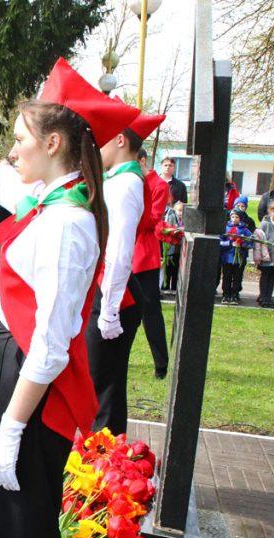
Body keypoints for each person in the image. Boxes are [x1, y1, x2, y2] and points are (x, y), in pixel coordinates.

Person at [0, 59, 139, 538]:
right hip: (22, 376)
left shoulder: (66, 223)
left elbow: (54, 347)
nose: (11, 151)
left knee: (20, 533)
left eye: (19, 140)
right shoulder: (48, 200)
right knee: (7, 531)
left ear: (53, 142)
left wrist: (11, 428)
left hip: (33, 389)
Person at [87, 107, 151, 436]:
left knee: (104, 390)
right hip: (107, 289)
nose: (97, 147)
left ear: (121, 140)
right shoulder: (118, 179)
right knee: (99, 384)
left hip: (115, 294)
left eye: (102, 140)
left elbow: (120, 250)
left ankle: (104, 472)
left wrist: (109, 310)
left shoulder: (126, 183)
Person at [133, 138, 170, 379]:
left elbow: (151, 219)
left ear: (142, 161)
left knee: (150, 312)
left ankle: (161, 363)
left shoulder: (158, 185)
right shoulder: (131, 182)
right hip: (127, 254)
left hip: (144, 257)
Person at [219, 211, 251, 304]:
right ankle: (226, 295)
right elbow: (220, 242)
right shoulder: (225, 228)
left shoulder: (244, 229)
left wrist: (242, 244)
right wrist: (230, 243)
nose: (234, 219)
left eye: (237, 217)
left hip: (239, 258)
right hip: (227, 258)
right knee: (227, 276)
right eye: (233, 217)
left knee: (237, 277)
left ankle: (235, 294)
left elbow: (250, 241)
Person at [161, 201, 184, 292]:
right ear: (175, 210)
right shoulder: (171, 217)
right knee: (168, 268)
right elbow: (167, 229)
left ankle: (174, 288)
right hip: (170, 248)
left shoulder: (183, 220)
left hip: (178, 250)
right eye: (179, 210)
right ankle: (165, 286)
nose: (181, 213)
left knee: (176, 270)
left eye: (182, 211)